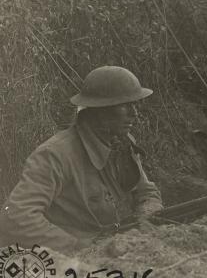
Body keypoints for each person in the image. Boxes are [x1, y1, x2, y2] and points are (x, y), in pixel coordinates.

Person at [0, 66, 163, 253]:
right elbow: (16, 217)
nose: (135, 113)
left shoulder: (121, 142)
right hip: (68, 258)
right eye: (125, 105)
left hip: (112, 245)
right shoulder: (55, 155)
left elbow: (145, 190)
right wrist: (79, 246)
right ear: (101, 111)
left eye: (135, 105)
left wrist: (148, 217)